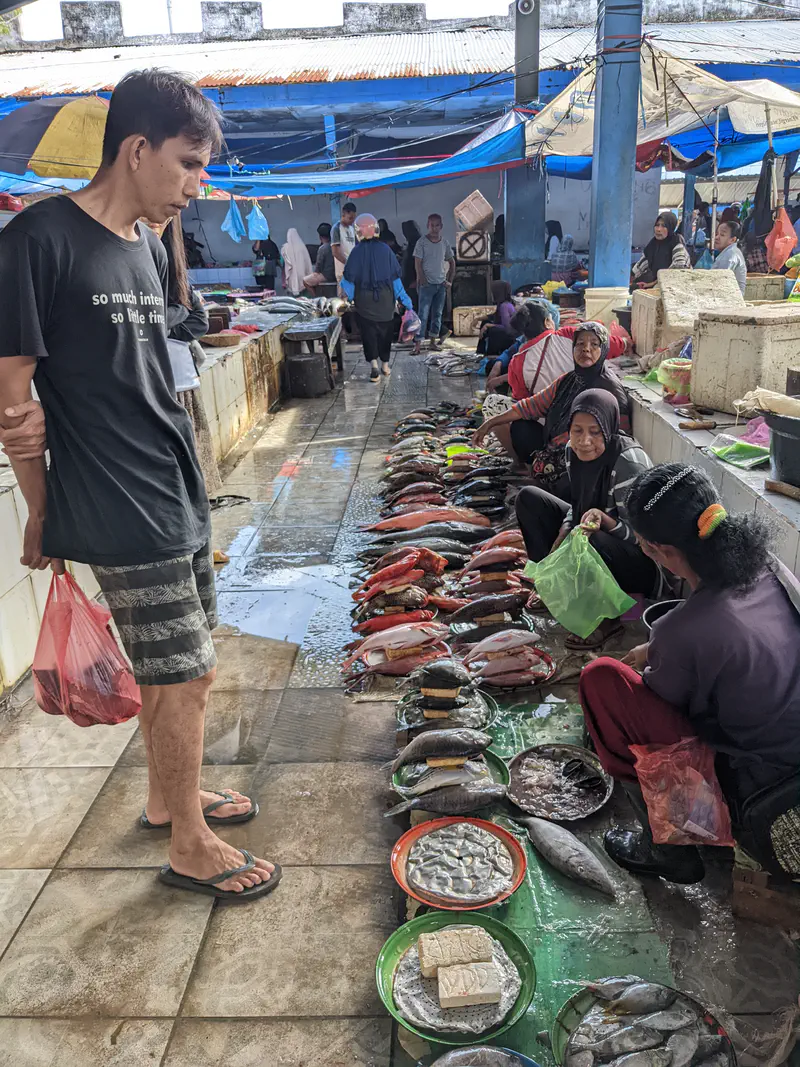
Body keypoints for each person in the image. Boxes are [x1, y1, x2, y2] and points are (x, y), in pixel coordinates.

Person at [0, 70, 278, 901]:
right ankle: (189, 843)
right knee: (186, 671)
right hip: (118, 501)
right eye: (189, 165)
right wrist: (42, 512)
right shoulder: (37, 241)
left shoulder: (148, 246)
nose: (197, 185)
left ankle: (170, 797)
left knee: (182, 669)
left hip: (174, 484)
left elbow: (142, 375)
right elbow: (14, 402)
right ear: (137, 148)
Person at [580, 463, 800, 884]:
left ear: (656, 549)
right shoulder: (765, 569)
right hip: (789, 754)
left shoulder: (683, 631)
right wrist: (659, 645)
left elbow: (665, 705)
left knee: (601, 679)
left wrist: (659, 649)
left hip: (763, 798)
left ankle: (669, 845)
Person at [516, 390, 666, 651]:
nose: (585, 441)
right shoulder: (572, 452)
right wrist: (562, 535)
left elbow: (650, 540)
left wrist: (606, 522)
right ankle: (554, 585)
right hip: (594, 538)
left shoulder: (629, 463)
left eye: (595, 432)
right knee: (529, 499)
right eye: (577, 431)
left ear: (608, 428)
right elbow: (578, 507)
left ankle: (608, 618)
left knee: (590, 535)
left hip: (642, 565)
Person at [473, 322, 630, 490]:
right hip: (558, 446)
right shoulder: (568, 380)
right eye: (580, 344)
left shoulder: (610, 388)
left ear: (604, 348)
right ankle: (539, 477)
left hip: (588, 455)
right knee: (522, 428)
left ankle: (554, 483)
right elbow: (528, 406)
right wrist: (488, 424)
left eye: (594, 344)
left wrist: (571, 441)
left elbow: (620, 436)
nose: (586, 349)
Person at [160, 214, 223, 504]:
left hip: (178, 379)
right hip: (154, 381)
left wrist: (159, 326)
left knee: (186, 450)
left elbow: (198, 319)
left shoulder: (174, 275)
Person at [340, 213, 413, 382]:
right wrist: (405, 300)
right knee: (385, 333)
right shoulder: (386, 250)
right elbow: (396, 280)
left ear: (358, 231)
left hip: (364, 302)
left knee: (368, 334)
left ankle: (374, 366)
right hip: (386, 300)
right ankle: (385, 365)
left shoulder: (356, 252)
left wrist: (349, 298)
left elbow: (348, 280)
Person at [413, 213, 455, 355]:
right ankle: (417, 344)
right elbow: (417, 262)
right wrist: (421, 278)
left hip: (441, 285)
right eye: (432, 225)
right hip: (426, 285)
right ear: (427, 226)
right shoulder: (422, 242)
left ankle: (432, 342)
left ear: (441, 226)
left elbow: (452, 261)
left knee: (437, 314)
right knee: (422, 315)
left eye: (437, 225)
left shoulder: (445, 243)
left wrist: (450, 280)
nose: (435, 228)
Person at [631, 212, 692, 287]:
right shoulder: (653, 244)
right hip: (660, 282)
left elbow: (677, 269)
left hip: (678, 285)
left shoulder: (676, 242)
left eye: (664, 226)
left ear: (670, 227)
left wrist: (651, 284)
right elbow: (642, 264)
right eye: (657, 225)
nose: (659, 229)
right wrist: (629, 278)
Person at [477, 280, 517, 356]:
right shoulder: (503, 304)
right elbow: (493, 316)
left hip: (510, 338)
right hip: (508, 334)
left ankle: (492, 354)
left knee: (493, 330)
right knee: (485, 323)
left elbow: (506, 327)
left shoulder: (504, 306)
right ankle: (480, 352)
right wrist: (478, 319)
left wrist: (488, 326)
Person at [712, 219, 747, 295]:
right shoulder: (728, 252)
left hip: (731, 298)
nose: (717, 237)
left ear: (732, 239)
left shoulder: (731, 254)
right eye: (717, 234)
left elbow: (720, 279)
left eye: (722, 235)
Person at [303, 221, 336, 292]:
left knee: (305, 281)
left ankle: (316, 298)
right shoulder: (336, 246)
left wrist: (315, 273)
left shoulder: (322, 248)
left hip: (326, 276)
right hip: (336, 274)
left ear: (320, 237)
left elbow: (318, 267)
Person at [281, 227, 313, 296]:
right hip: (303, 276)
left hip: (291, 276)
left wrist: (283, 280)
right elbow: (307, 263)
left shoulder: (285, 248)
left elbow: (283, 264)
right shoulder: (302, 247)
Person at [331, 201, 357, 282]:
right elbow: (335, 252)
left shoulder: (352, 229)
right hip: (342, 272)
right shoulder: (336, 228)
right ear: (343, 214)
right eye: (350, 218)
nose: (352, 221)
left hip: (352, 270)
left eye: (353, 218)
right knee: (342, 294)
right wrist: (348, 264)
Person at [401, 219, 422, 302]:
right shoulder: (412, 243)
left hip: (414, 283)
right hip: (410, 282)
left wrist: (416, 280)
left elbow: (419, 263)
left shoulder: (416, 244)